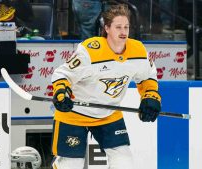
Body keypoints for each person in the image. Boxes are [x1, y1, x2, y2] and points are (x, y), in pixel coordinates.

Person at [51, 4, 161, 169]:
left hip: (108, 114)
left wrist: (150, 96)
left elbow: (147, 77)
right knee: (71, 165)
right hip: (74, 113)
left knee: (124, 163)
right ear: (107, 28)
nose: (123, 31)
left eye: (126, 27)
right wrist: (61, 93)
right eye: (118, 27)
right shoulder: (90, 50)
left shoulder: (138, 50)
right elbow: (63, 74)